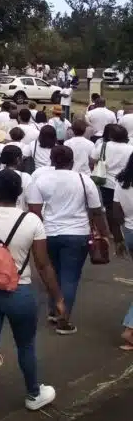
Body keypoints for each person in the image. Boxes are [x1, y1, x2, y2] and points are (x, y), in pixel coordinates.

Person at [0, 169, 63, 421]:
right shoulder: (32, 222)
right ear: (20, 192)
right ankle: (33, 393)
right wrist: (58, 299)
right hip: (19, 291)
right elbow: (43, 265)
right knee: (26, 345)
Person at [25, 145, 110, 335]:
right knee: (70, 277)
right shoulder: (84, 180)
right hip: (77, 233)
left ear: (52, 160)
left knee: (51, 272)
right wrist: (104, 234)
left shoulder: (40, 180)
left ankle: (54, 310)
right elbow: (96, 211)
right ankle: (63, 320)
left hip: (48, 233)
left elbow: (35, 211)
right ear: (72, 162)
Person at [108, 153, 133, 350]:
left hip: (130, 233)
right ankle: (130, 329)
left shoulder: (122, 183)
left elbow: (115, 212)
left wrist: (118, 239)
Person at [92, 124, 133, 214]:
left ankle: (111, 225)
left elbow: (92, 159)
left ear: (111, 136)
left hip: (106, 183)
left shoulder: (103, 146)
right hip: (124, 184)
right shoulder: (130, 149)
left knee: (109, 209)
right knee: (123, 209)